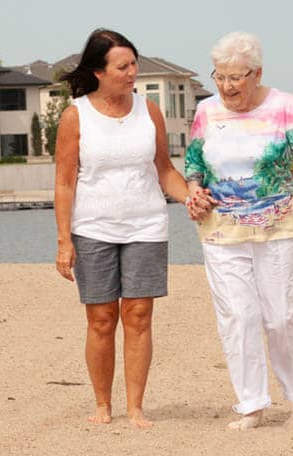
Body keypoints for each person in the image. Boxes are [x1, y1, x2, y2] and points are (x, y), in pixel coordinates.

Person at [184, 32, 293, 431]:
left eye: (236, 78)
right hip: (221, 231)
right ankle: (251, 403)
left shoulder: (286, 107)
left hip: (279, 227)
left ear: (257, 73)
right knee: (238, 317)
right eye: (220, 77)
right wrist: (194, 193)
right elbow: (193, 166)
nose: (226, 87)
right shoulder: (206, 112)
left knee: (283, 316)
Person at [53, 28, 204, 428]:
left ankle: (136, 406)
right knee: (101, 318)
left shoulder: (149, 110)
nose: (132, 72)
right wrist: (64, 240)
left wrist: (188, 196)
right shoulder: (75, 115)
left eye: (134, 63)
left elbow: (164, 170)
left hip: (146, 225)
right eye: (123, 66)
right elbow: (65, 182)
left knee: (138, 313)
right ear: (99, 72)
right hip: (93, 228)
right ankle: (103, 404)